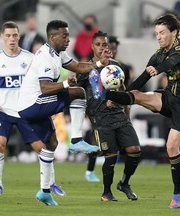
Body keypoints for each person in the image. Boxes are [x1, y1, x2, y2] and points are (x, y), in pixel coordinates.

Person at [96, 14, 180, 208]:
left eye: (162, 33)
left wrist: (158, 69)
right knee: (136, 94)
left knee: (171, 147)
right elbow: (140, 81)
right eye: (156, 33)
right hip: (169, 97)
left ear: (174, 32)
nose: (159, 37)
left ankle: (179, 195)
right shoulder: (158, 54)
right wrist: (122, 97)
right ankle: (106, 96)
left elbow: (172, 62)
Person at [17, 20, 111, 206]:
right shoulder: (45, 56)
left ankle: (44, 191)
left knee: (51, 143)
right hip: (33, 104)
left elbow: (77, 66)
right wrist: (67, 84)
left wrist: (99, 63)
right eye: (64, 36)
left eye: (68, 35)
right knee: (78, 93)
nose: (69, 39)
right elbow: (45, 88)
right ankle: (76, 140)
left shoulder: (57, 53)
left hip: (30, 106)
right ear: (52, 37)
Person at [0, 21, 66, 198]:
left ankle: (51, 183)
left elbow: (42, 83)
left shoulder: (30, 58)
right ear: (2, 37)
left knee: (41, 148)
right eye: (8, 35)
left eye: (14, 35)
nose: (11, 39)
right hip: (4, 111)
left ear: (19, 36)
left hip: (24, 111)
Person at [76, 30, 141, 201]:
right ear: (92, 47)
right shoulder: (86, 68)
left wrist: (120, 102)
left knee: (134, 150)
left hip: (119, 114)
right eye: (98, 45)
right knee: (111, 155)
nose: (101, 48)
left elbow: (123, 90)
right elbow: (75, 84)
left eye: (104, 44)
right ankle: (107, 192)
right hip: (99, 117)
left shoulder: (115, 66)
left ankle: (124, 183)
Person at [84, 35, 134, 182]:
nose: (110, 50)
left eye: (113, 47)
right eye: (107, 46)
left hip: (117, 111)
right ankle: (90, 170)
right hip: (97, 113)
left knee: (116, 146)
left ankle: (119, 179)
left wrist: (125, 107)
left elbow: (125, 89)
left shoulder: (120, 67)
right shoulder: (90, 66)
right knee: (97, 143)